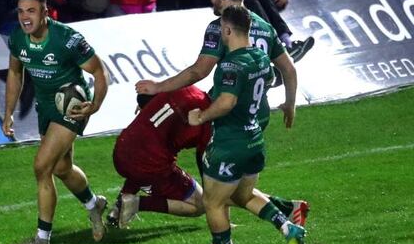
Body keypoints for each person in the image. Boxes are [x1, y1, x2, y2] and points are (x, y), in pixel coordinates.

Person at [188, 4, 306, 244]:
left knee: (212, 202)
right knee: (243, 195)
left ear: (228, 31)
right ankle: (288, 227)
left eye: (222, 29)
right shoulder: (261, 58)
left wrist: (201, 116)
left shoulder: (230, 65)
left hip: (230, 143)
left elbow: (227, 102)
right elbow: (274, 77)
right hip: (255, 139)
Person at [109, 85, 310, 233]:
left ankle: (119, 205)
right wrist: (219, 217)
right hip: (149, 163)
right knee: (201, 203)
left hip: (122, 149)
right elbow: (213, 184)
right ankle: (136, 203)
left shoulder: (187, 88)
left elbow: (148, 99)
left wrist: (145, 106)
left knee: (149, 159)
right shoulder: (209, 123)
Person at [4, 0, 109, 244]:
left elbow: (99, 71)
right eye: (21, 11)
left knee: (42, 167)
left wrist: (95, 105)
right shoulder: (17, 38)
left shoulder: (67, 39)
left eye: (31, 11)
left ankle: (42, 240)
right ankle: (94, 204)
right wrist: (8, 113)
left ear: (45, 13)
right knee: (62, 167)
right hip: (46, 106)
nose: (25, 17)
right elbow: (15, 72)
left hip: (71, 106)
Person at [136, 0, 297, 135]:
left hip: (229, 115)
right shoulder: (265, 27)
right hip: (259, 114)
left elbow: (198, 72)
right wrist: (290, 103)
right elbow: (289, 69)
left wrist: (158, 87)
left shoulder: (221, 28)